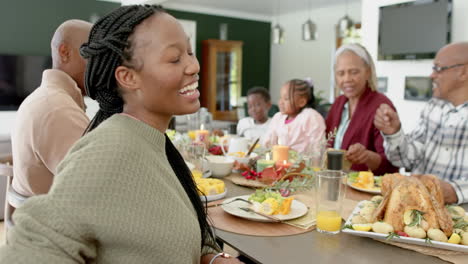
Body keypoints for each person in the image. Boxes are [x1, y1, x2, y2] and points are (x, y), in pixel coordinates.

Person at [0, 5, 242, 264]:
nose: (194, 66)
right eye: (174, 58)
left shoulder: (152, 142)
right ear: (128, 77)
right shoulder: (108, 149)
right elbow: (32, 248)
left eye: (190, 53)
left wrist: (213, 258)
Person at [374, 42, 468, 204]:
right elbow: (404, 160)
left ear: (463, 72)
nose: (432, 75)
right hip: (419, 208)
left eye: (438, 68)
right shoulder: (433, 107)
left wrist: (455, 191)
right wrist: (394, 132)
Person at [11, 19, 92, 197]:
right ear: (64, 52)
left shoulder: (46, 99)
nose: (101, 66)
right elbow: (94, 185)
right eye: (92, 54)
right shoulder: (58, 109)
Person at [326, 43, 398, 175]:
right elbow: (326, 146)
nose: (347, 79)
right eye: (341, 73)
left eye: (354, 72)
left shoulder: (381, 106)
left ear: (368, 72)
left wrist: (367, 156)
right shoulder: (338, 104)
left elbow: (391, 165)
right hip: (336, 184)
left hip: (365, 190)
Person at [262, 79, 325, 154]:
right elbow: (268, 141)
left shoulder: (310, 116)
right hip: (279, 162)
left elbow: (317, 147)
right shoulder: (278, 117)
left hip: (303, 163)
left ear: (301, 102)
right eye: (280, 97)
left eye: (286, 99)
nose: (281, 102)